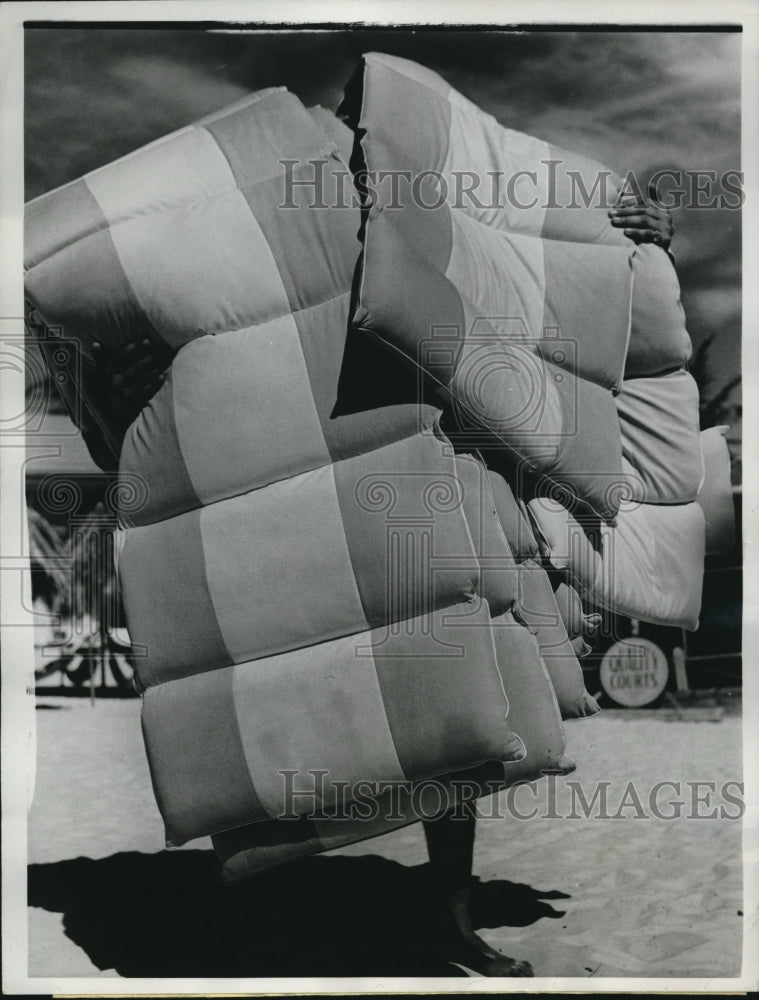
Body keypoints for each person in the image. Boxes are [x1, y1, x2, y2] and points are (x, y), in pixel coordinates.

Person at [92, 190, 674, 977]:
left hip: (416, 472)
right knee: (293, 692)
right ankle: (291, 911)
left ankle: (450, 918)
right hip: (289, 479)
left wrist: (639, 250)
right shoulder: (267, 246)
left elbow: (562, 309)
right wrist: (132, 371)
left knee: (454, 700)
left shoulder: (435, 227)